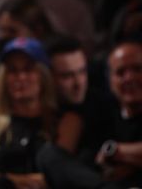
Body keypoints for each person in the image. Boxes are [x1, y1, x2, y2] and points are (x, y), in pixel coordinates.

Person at [0, 37, 80, 189]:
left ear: (43, 75)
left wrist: (4, 179)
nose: (20, 77)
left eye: (28, 69)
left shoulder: (66, 122)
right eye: (13, 70)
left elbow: (58, 178)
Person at [36, 38, 142, 188]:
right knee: (49, 155)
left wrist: (116, 151)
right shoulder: (103, 112)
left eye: (138, 69)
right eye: (120, 72)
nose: (129, 78)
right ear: (110, 80)